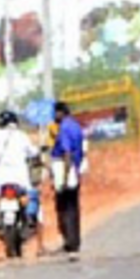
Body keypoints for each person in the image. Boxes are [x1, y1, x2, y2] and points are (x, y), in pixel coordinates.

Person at [0, 109, 41, 256]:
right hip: (21, 181)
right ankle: (41, 246)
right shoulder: (22, 136)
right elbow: (33, 153)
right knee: (38, 212)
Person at [51, 101, 85, 255]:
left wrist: (64, 176)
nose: (54, 116)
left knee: (64, 207)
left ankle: (69, 242)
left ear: (61, 112)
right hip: (76, 168)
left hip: (65, 168)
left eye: (55, 113)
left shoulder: (64, 128)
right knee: (74, 206)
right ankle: (75, 241)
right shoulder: (76, 126)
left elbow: (66, 152)